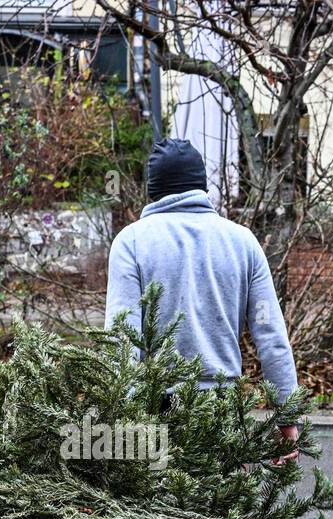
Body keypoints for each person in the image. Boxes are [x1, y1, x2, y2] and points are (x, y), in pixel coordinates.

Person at [105, 138, 300, 463]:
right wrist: (288, 418)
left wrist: (122, 426)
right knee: (223, 508)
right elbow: (272, 338)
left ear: (153, 189)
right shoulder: (243, 242)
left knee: (159, 511)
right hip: (222, 409)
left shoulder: (131, 242)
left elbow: (122, 342)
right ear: (201, 186)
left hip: (157, 409)